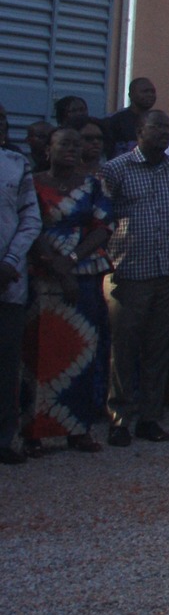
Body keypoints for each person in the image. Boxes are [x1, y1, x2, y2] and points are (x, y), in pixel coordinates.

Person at [23, 126, 115, 453]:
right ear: (48, 149)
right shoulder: (32, 183)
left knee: (83, 351)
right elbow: (29, 225)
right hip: (42, 272)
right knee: (38, 352)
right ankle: (32, 432)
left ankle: (78, 429)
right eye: (64, 144)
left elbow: (104, 226)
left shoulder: (94, 184)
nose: (72, 149)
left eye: (77, 145)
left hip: (85, 273)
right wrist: (54, 263)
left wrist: (72, 260)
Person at [99, 109, 169, 446]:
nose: (164, 133)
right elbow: (102, 219)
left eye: (168, 128)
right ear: (139, 131)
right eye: (157, 127)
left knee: (158, 349)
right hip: (128, 271)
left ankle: (150, 418)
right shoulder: (116, 169)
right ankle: (119, 419)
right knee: (123, 349)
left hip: (168, 271)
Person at [0, 115, 37, 463]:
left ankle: (4, 438)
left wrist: (10, 261)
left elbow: (30, 219)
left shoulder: (15, 164)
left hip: (8, 281)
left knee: (7, 364)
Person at [103, 78, 156, 155]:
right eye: (145, 91)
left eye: (153, 92)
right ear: (131, 95)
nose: (150, 95)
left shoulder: (157, 121)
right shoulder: (114, 120)